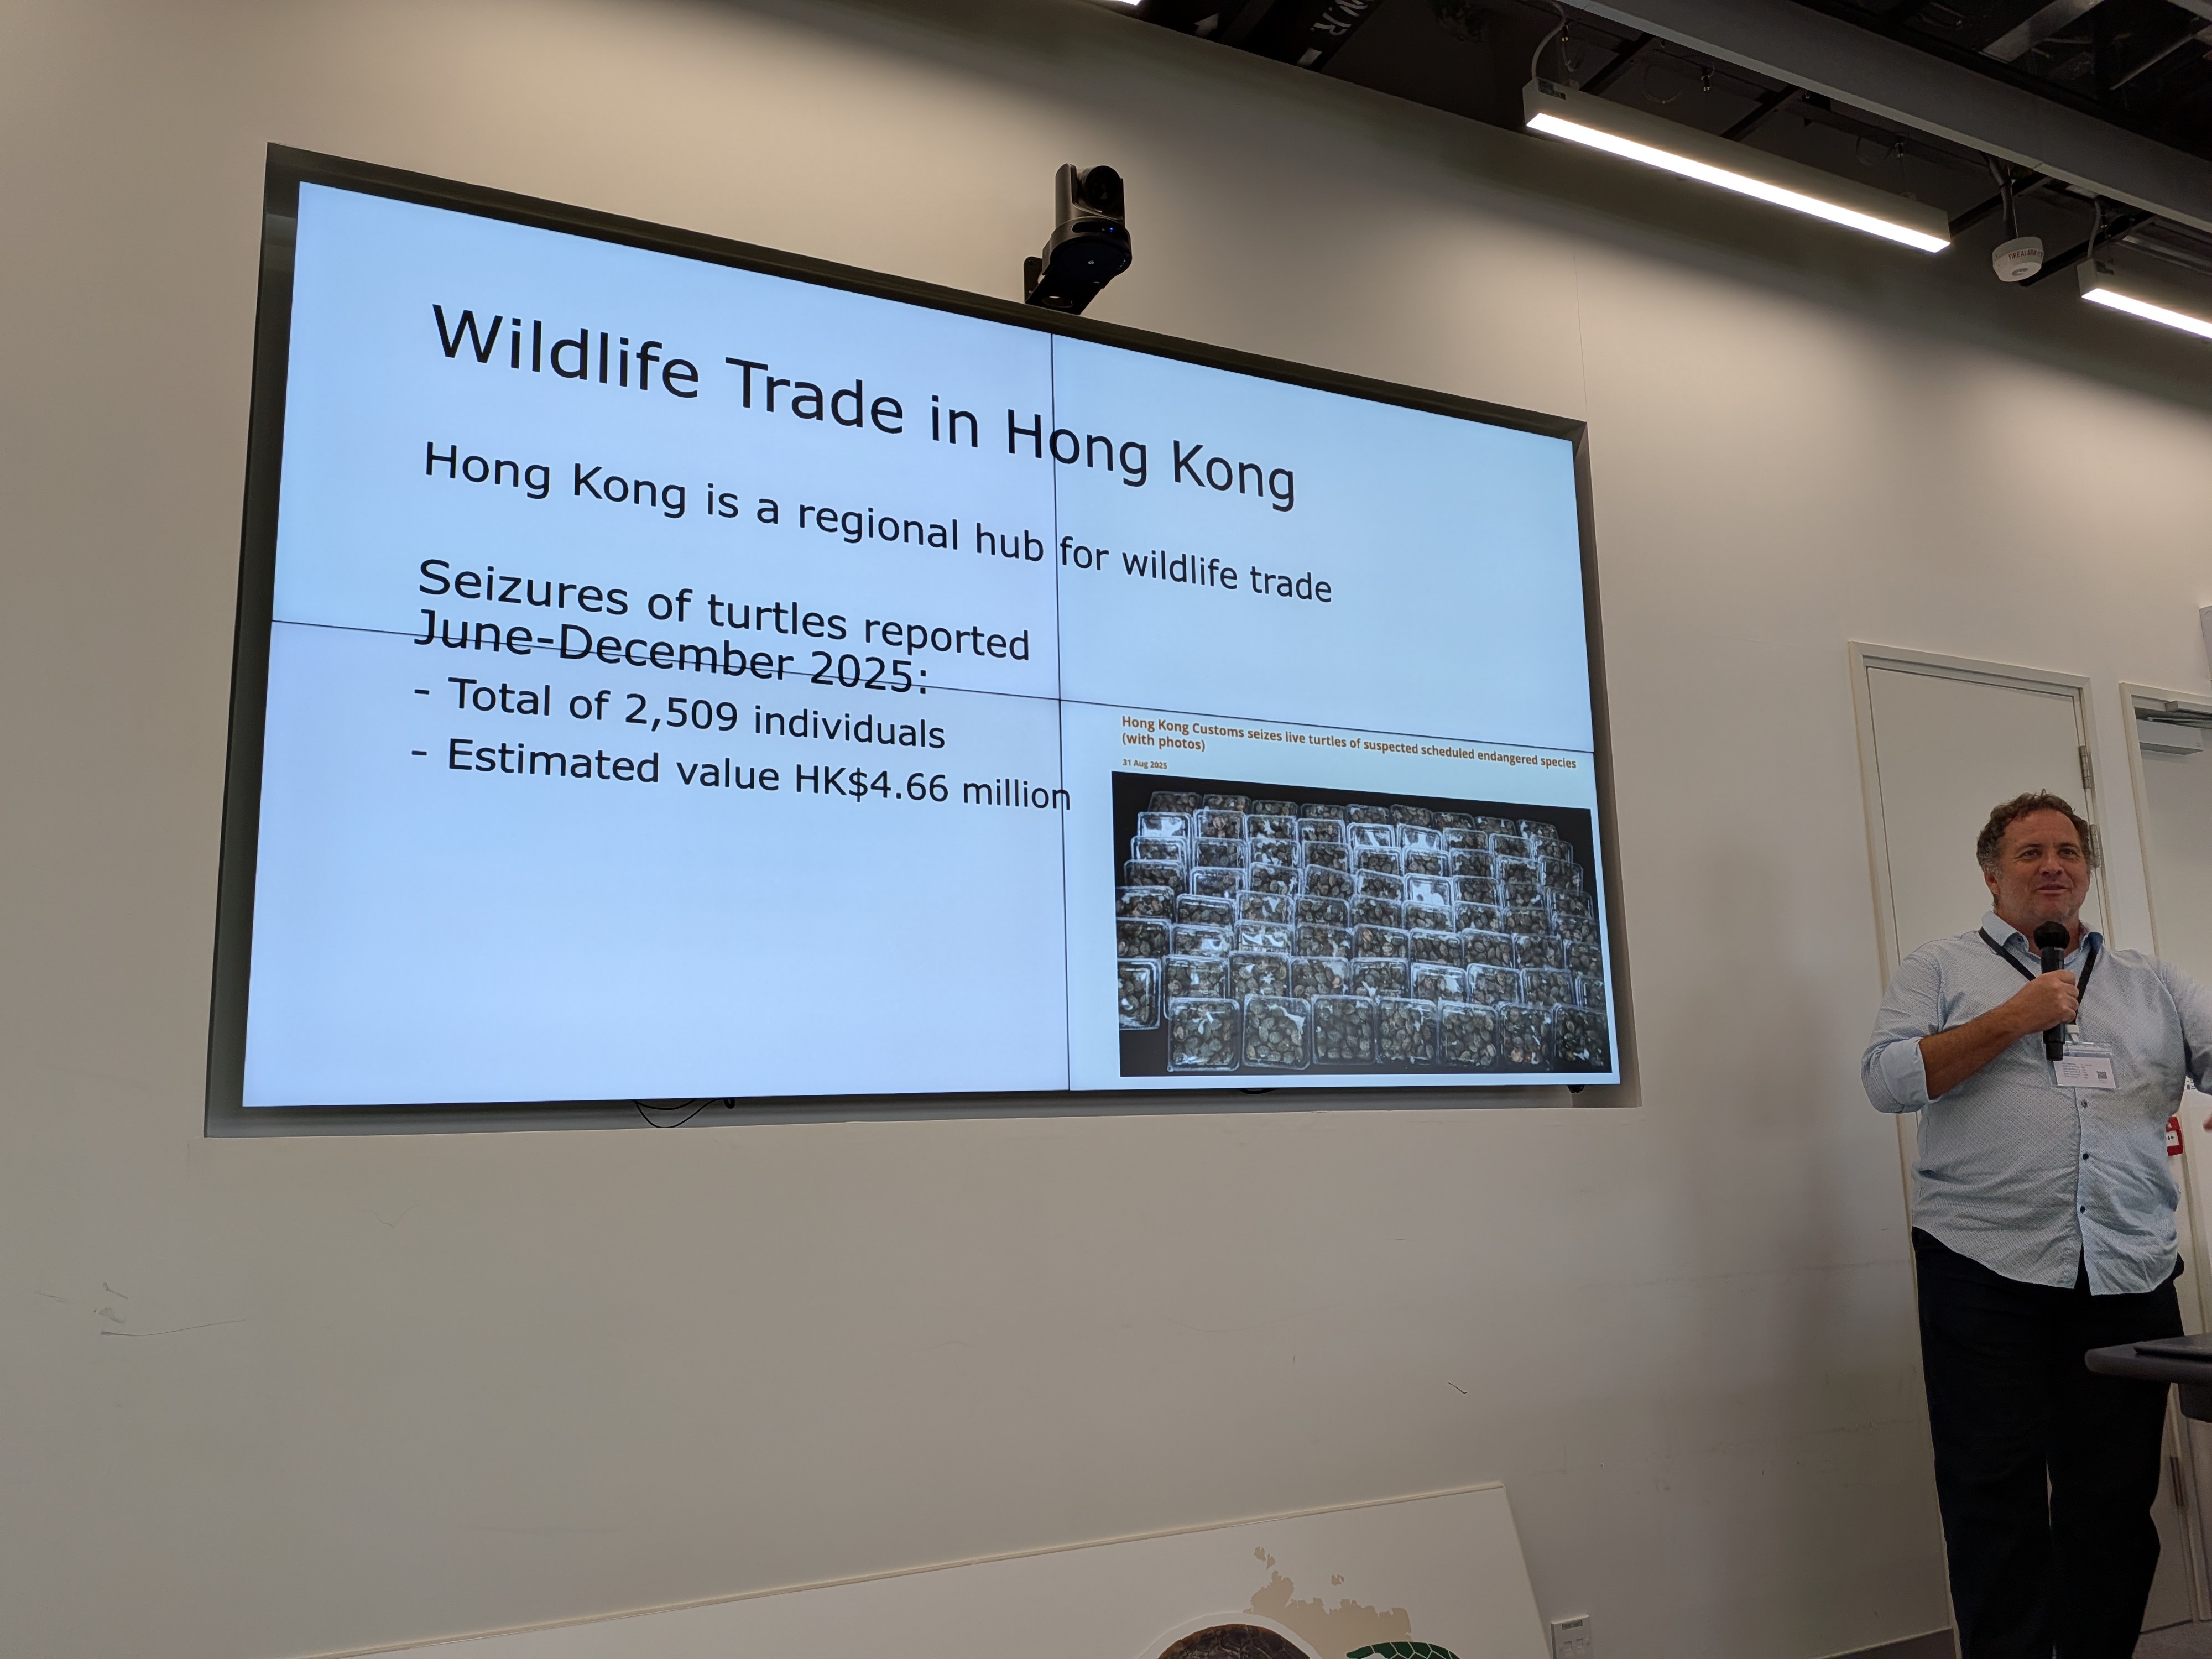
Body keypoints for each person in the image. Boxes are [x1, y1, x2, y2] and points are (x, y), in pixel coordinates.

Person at [1864, 790, 2212, 1658]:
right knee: (1993, 1496)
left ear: (2087, 872)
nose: (2053, 865)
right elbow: (1887, 1080)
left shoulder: (2151, 981)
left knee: (2114, 1501)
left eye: (2068, 852)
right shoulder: (1939, 968)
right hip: (1985, 1270)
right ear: (1992, 874)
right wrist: (2011, 1019)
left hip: (2127, 1268)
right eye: (2030, 853)